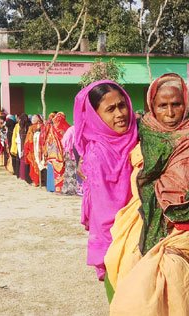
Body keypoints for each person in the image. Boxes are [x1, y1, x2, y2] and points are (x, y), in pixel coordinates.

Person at [108, 74, 189, 315]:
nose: (169, 111)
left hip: (185, 228)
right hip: (143, 224)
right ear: (152, 106)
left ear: (185, 102)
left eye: (175, 104)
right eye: (162, 105)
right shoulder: (141, 132)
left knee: (176, 296)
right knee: (139, 294)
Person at [73, 80, 139, 281]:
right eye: (110, 109)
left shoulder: (138, 136)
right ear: (95, 116)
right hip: (119, 244)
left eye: (122, 105)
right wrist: (115, 253)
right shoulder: (96, 155)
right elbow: (105, 215)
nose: (120, 114)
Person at [42, 112, 70, 193]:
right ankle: (60, 188)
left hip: (51, 155)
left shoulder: (50, 128)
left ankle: (52, 187)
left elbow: (46, 141)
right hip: (62, 155)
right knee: (61, 171)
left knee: (53, 170)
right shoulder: (66, 128)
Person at [60, 125, 82, 196]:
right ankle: (77, 189)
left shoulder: (70, 129)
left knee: (69, 171)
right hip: (76, 151)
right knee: (76, 170)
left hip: (69, 152)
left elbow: (64, 141)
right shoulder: (78, 129)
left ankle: (68, 190)